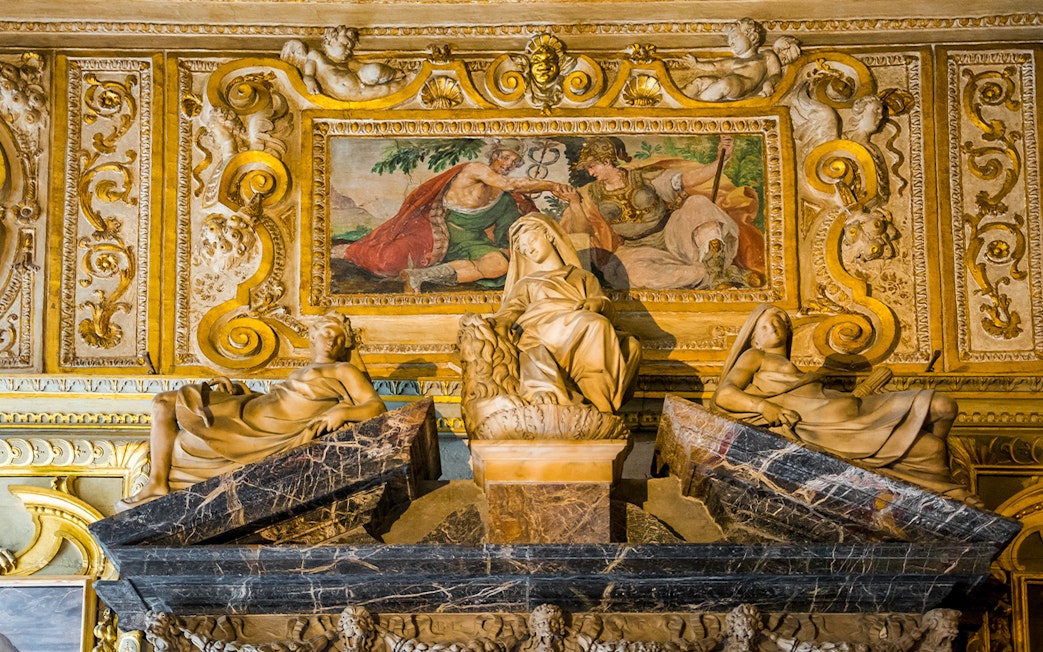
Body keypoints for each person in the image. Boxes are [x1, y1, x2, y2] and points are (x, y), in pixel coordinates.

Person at [711, 304, 979, 503]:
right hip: (830, 432)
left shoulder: (804, 375)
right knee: (931, 447)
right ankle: (950, 497)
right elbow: (724, 395)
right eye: (766, 323)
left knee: (944, 406)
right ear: (754, 337)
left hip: (856, 416)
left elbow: (821, 398)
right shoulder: (755, 355)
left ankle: (931, 489)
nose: (776, 324)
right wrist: (763, 407)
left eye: (781, 319)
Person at [116, 314, 387, 510]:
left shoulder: (343, 370)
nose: (333, 340)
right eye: (327, 333)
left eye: (339, 338)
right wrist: (239, 391)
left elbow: (376, 406)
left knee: (178, 431)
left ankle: (158, 482)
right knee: (163, 402)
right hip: (252, 411)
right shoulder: (300, 372)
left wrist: (342, 414)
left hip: (270, 431)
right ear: (313, 337)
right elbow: (278, 399)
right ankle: (157, 482)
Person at [338, 140, 573, 292]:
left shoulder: (504, 197)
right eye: (505, 157)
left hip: (472, 242)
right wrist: (551, 185)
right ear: (494, 155)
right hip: (434, 235)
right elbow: (510, 184)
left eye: (514, 162)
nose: (508, 164)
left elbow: (510, 221)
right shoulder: (475, 170)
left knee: (499, 265)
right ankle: (348, 250)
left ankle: (420, 277)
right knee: (386, 260)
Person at [559, 136, 763, 290]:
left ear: (606, 160)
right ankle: (713, 275)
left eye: (592, 166)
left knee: (698, 203)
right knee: (631, 273)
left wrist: (721, 160)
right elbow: (582, 231)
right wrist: (575, 204)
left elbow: (687, 181)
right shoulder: (591, 193)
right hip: (636, 248)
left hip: (673, 233)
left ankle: (718, 271)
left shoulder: (644, 176)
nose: (590, 173)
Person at [486, 213, 641, 413]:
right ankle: (600, 405)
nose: (529, 249)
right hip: (541, 331)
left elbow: (603, 303)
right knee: (595, 325)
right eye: (523, 248)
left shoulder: (582, 277)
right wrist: (498, 324)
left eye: (531, 240)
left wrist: (596, 304)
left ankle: (596, 403)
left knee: (630, 345)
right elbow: (510, 311)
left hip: (578, 323)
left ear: (549, 235)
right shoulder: (527, 283)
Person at [280, 26, 406, 101]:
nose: (348, 50)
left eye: (350, 47)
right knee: (389, 88)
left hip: (361, 86)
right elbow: (308, 74)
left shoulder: (348, 63)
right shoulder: (317, 56)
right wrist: (309, 81)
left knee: (376, 71)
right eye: (344, 44)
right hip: (353, 94)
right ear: (329, 42)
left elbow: (362, 67)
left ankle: (394, 74)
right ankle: (402, 78)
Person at [683, 18, 795, 102]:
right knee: (700, 81)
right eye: (729, 40)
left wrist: (769, 84)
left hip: (741, 86)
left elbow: (776, 74)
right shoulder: (735, 61)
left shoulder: (766, 56)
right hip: (730, 85)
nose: (730, 42)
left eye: (734, 37)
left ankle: (701, 102)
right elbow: (715, 65)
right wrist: (697, 64)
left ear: (752, 36)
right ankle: (684, 99)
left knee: (725, 83)